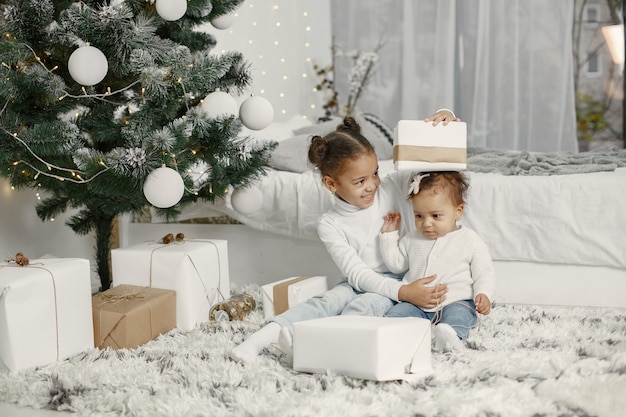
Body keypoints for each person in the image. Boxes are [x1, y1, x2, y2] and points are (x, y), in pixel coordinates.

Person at [229, 110, 459, 364]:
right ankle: (255, 343)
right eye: (360, 181)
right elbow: (357, 274)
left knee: (362, 308)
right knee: (325, 302)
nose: (372, 185)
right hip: (360, 281)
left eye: (374, 173)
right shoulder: (330, 224)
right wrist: (403, 292)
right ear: (331, 184)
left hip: (395, 279)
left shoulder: (393, 187)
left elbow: (434, 168)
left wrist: (445, 119)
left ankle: (314, 349)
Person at [380, 171, 495, 351]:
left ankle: (450, 339)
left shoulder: (469, 239)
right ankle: (390, 338)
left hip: (456, 300)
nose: (426, 223)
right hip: (416, 303)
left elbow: (484, 272)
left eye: (435, 216)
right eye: (419, 216)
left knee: (460, 317)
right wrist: (388, 235)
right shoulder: (412, 239)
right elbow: (396, 265)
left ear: (458, 212)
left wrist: (484, 293)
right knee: (396, 315)